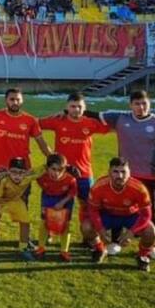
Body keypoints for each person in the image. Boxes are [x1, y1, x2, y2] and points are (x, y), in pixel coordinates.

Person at [91, 90, 155, 256]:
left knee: (151, 211)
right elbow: (96, 115)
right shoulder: (120, 117)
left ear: (150, 104)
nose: (141, 107)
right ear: (130, 105)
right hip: (124, 174)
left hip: (148, 175)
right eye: (137, 104)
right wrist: (68, 112)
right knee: (118, 207)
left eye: (144, 104)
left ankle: (150, 246)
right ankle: (115, 242)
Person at [39, 92, 110, 244]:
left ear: (84, 108)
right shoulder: (58, 121)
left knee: (86, 205)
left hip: (84, 174)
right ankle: (49, 232)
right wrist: (49, 152)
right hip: (61, 174)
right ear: (67, 107)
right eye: (72, 106)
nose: (76, 110)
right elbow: (35, 124)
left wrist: (92, 114)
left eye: (79, 107)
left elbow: (110, 126)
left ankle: (88, 235)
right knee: (54, 203)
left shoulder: (90, 123)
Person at [86, 157, 155, 272]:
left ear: (129, 173)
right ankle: (100, 249)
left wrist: (131, 232)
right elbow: (92, 210)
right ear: (109, 172)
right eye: (115, 172)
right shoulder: (98, 186)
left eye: (123, 172)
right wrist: (100, 229)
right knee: (86, 227)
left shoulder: (139, 188)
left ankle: (142, 256)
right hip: (108, 216)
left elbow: (146, 215)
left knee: (151, 232)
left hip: (130, 216)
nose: (120, 176)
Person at [0, 157, 46, 261]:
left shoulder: (27, 177)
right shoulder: (2, 179)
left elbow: (41, 169)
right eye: (13, 172)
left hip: (16, 201)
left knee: (25, 221)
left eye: (20, 172)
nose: (17, 175)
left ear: (25, 173)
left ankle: (23, 248)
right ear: (8, 171)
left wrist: (65, 167)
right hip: (2, 201)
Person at [34, 154, 77, 262]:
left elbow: (74, 192)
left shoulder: (70, 178)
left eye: (60, 170)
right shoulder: (41, 176)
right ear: (47, 167)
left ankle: (64, 251)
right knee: (44, 222)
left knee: (65, 224)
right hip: (48, 197)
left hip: (65, 199)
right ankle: (41, 248)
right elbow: (33, 177)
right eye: (53, 169)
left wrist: (62, 202)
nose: (56, 173)